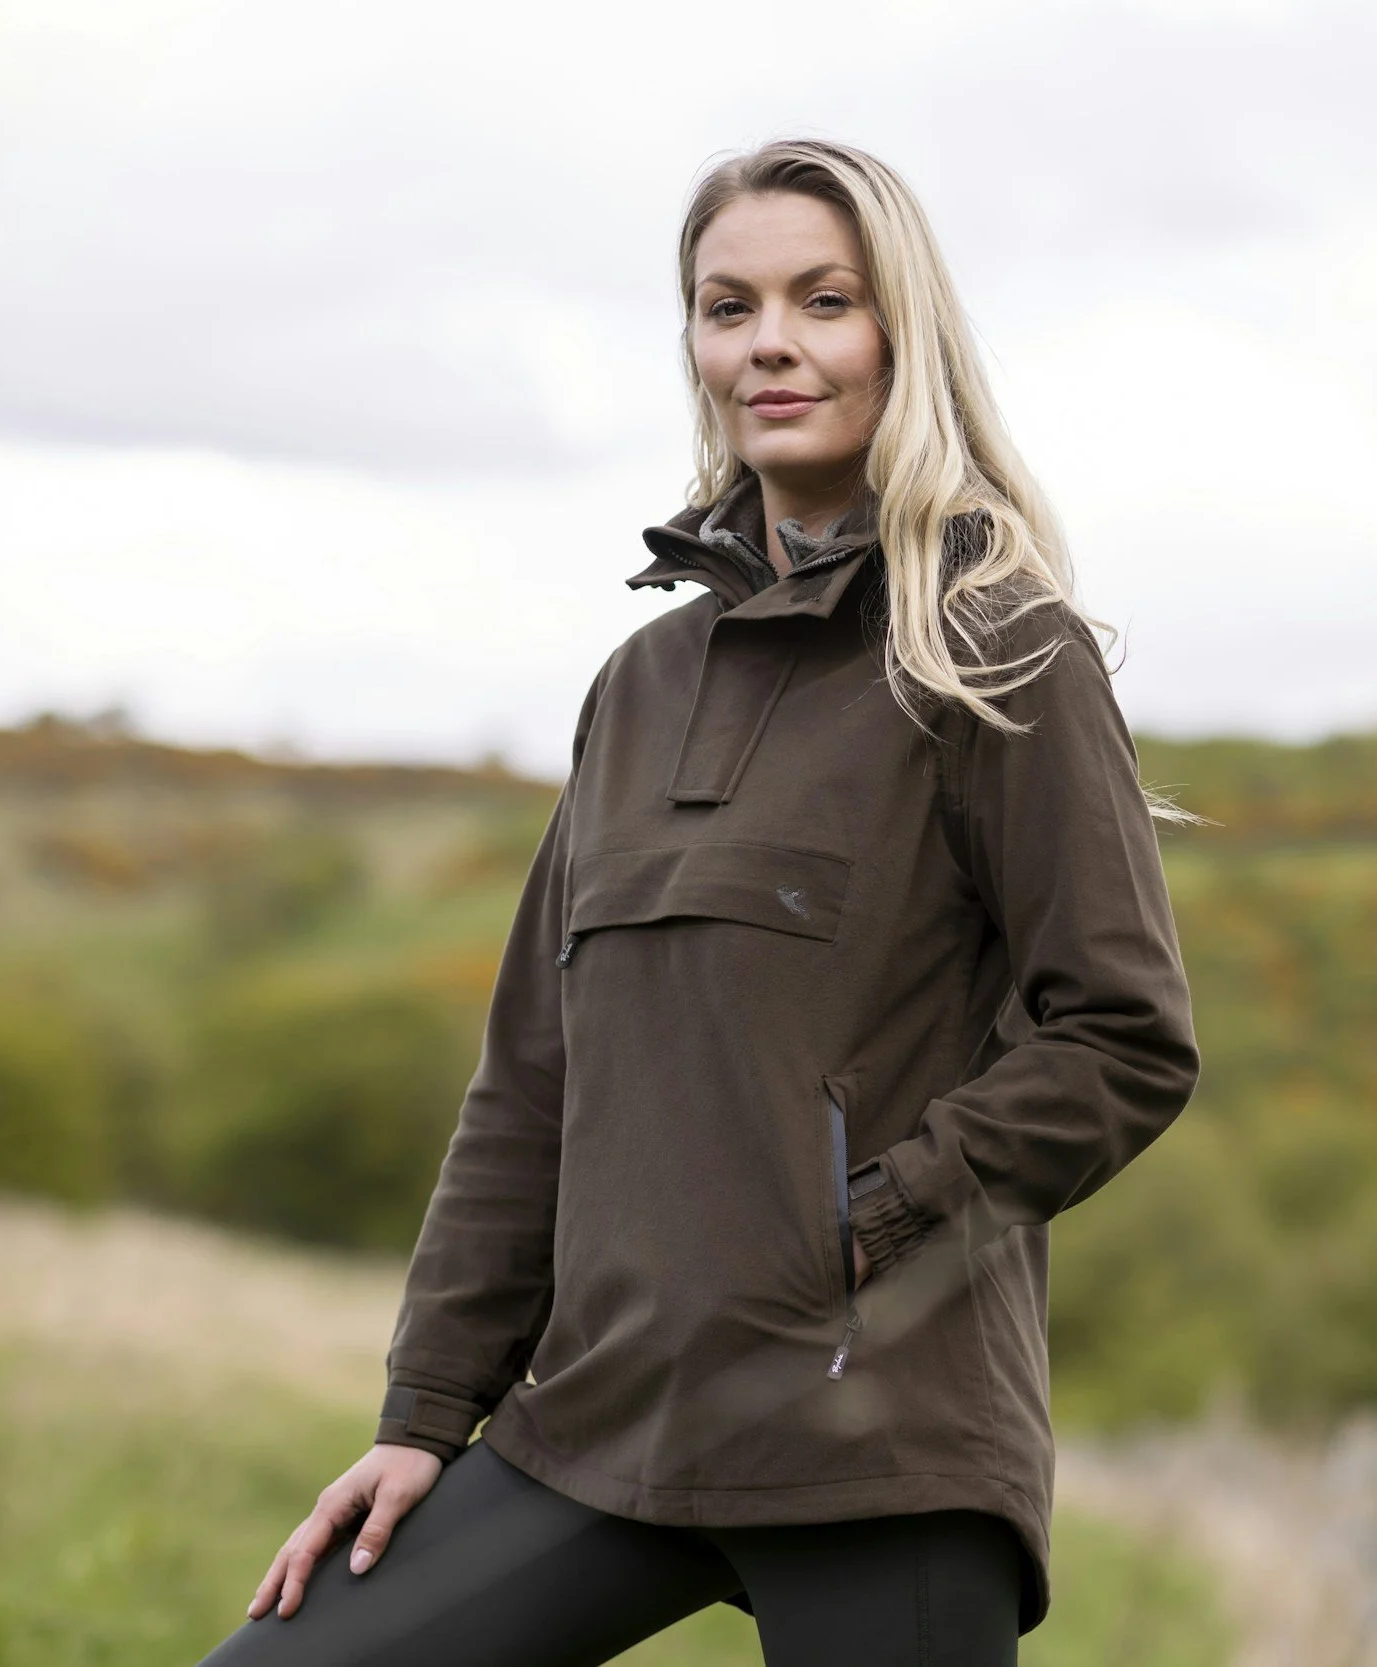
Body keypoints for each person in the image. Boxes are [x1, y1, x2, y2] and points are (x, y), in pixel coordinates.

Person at [195, 138, 1200, 1667]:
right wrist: (424, 1413)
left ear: (900, 336)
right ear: (696, 347)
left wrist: (871, 1221)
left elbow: (1124, 1033)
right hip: (602, 1420)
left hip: (882, 1437)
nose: (771, 342)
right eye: (728, 307)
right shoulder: (641, 685)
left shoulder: (997, 652)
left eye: (824, 299)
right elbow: (532, 1080)